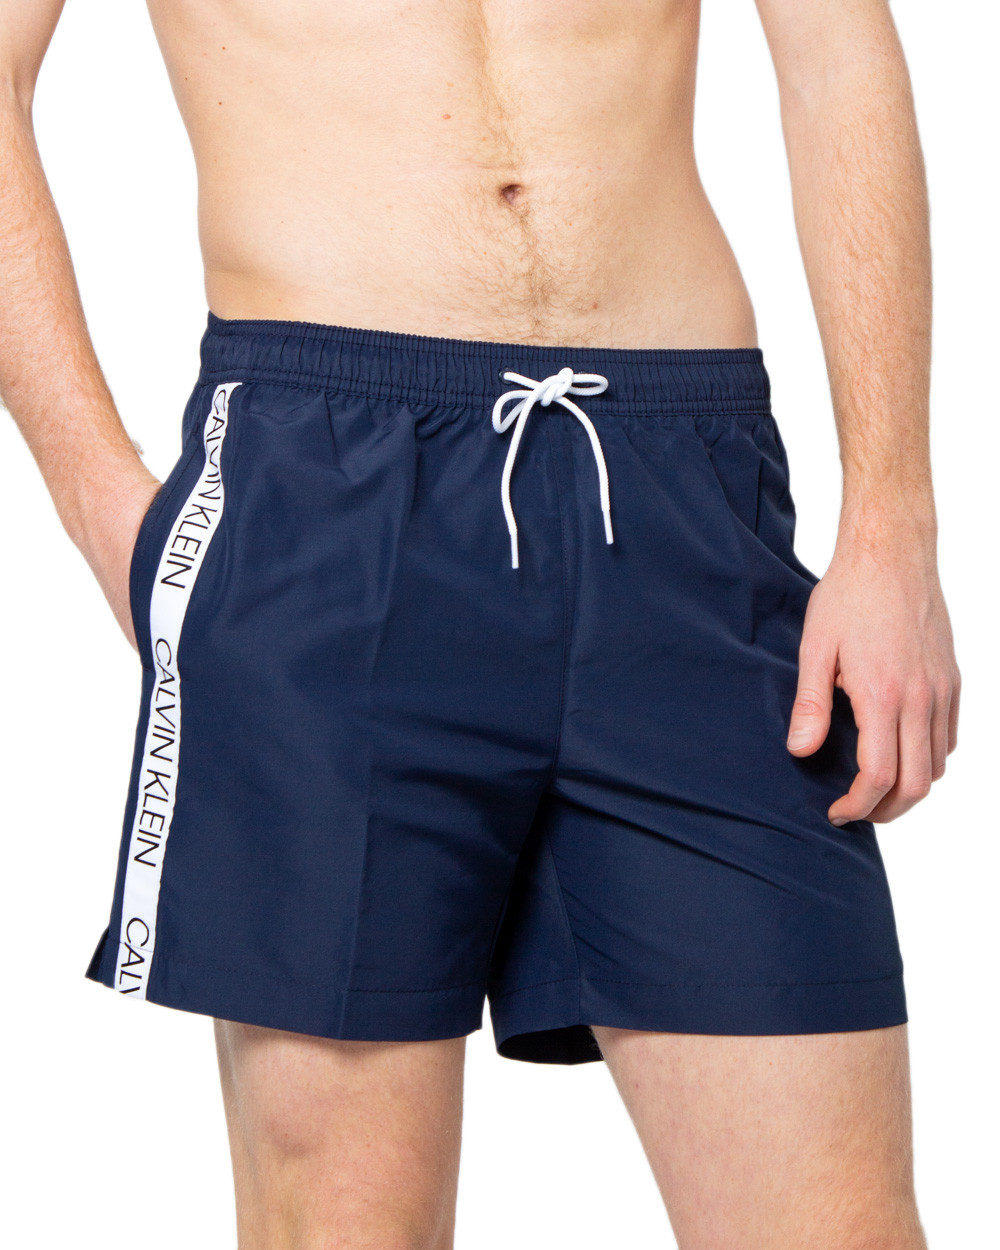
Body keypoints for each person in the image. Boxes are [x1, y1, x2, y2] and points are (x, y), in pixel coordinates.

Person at [1, 0, 960, 1246]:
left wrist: (891, 519)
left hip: (685, 493)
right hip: (326, 488)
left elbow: (837, 53)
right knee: (347, 1222)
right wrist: (101, 501)